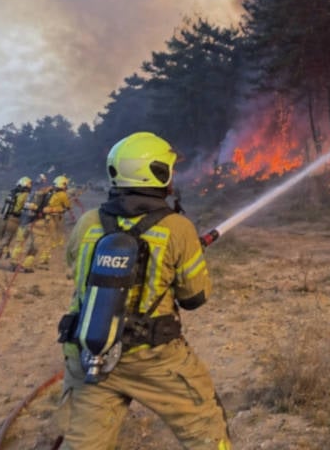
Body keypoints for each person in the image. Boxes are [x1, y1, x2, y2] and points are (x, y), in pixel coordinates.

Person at [57, 131, 230, 450]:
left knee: (83, 444)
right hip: (154, 358)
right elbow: (195, 298)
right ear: (158, 172)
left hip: (89, 355)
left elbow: (74, 269)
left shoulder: (87, 222)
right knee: (206, 428)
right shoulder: (177, 228)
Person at [0, 176, 31, 259]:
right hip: (16, 219)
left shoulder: (13, 194)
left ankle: (5, 253)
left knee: (7, 236)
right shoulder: (25, 195)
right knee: (9, 237)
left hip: (8, 217)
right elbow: (22, 208)